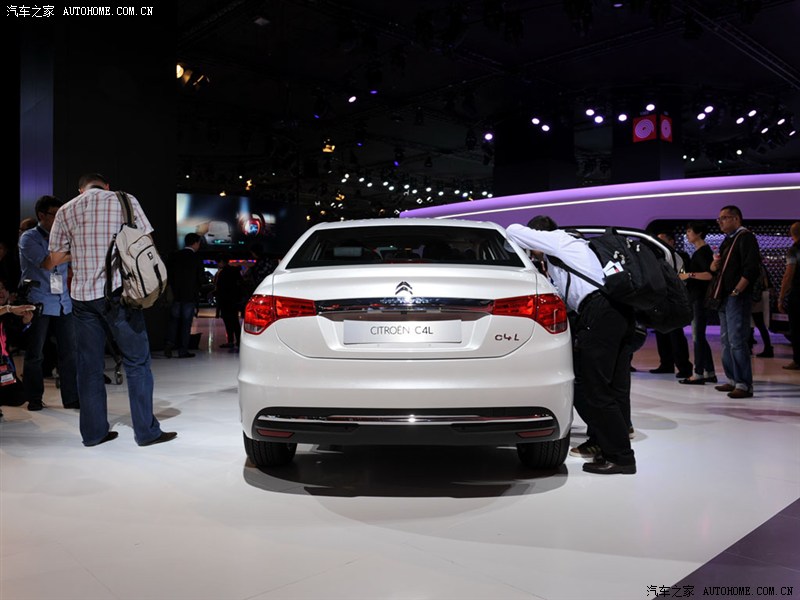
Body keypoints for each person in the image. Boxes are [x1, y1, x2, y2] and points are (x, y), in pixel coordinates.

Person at [44, 173, 176, 447]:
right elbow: (145, 241)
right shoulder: (125, 200)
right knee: (137, 362)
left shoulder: (66, 210)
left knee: (89, 367)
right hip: (118, 295)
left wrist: (80, 250)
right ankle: (146, 432)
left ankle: (94, 434)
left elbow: (54, 258)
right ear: (106, 186)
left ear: (80, 190)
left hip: (82, 299)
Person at [507, 216, 636, 475]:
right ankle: (606, 446)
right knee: (607, 388)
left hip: (600, 311)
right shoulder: (575, 250)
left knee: (592, 389)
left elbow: (512, 230)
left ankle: (621, 457)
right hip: (617, 312)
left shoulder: (559, 240)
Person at [18, 195, 80, 411]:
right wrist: (72, 253)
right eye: (55, 214)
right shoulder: (29, 238)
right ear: (41, 215)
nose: (60, 218)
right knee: (35, 354)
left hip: (63, 301)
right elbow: (47, 263)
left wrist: (68, 254)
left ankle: (71, 397)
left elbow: (65, 262)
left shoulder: (63, 236)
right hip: (38, 301)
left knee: (70, 353)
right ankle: (34, 398)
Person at [709, 205, 762, 398]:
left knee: (737, 340)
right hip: (724, 296)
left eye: (724, 217)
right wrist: (714, 264)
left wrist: (737, 290)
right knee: (726, 340)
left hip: (736, 296)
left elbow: (751, 268)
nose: (720, 222)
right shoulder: (728, 240)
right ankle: (732, 379)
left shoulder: (746, 237)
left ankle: (744, 384)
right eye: (719, 218)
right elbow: (716, 269)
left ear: (736, 219)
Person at [677, 221, 718, 384]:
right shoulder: (701, 252)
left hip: (699, 299)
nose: (687, 234)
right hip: (698, 298)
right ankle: (709, 372)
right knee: (699, 337)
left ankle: (699, 373)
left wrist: (689, 275)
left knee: (697, 337)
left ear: (699, 233)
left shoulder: (703, 252)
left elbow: (709, 275)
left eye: (689, 231)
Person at [649, 231, 693, 378]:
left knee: (676, 334)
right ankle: (666, 364)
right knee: (661, 332)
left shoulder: (679, 257)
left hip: (674, 299)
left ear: (672, 241)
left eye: (662, 240)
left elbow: (682, 277)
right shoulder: (658, 257)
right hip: (661, 299)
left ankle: (684, 367)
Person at [164, 232, 204, 359]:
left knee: (173, 322)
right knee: (186, 324)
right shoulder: (196, 258)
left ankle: (169, 345)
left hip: (175, 294)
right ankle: (183, 350)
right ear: (196, 243)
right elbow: (200, 279)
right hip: (189, 296)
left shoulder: (174, 256)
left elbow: (168, 274)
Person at [0, 297, 38, 419]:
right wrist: (9, 309)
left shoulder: (7, 318)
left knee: (19, 395)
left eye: (3, 289)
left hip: (4, 365)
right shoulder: (9, 311)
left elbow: (18, 340)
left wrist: (26, 323)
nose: (1, 293)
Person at [778, 221, 800, 370]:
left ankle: (797, 360)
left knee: (797, 328)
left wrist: (781, 297)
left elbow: (788, 275)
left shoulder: (794, 250)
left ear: (792, 234)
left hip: (798, 294)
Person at [214, 254, 244, 349]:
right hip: (234, 300)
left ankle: (231, 341)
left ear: (222, 262)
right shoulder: (235, 271)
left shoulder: (222, 273)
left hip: (225, 300)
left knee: (228, 321)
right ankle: (238, 341)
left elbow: (220, 288)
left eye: (218, 262)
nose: (217, 264)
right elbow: (241, 284)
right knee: (235, 321)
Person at [749, 258, 774, 358]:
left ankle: (767, 348)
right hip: (760, 297)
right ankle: (766, 347)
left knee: (757, 323)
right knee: (757, 323)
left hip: (755, 298)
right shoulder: (761, 266)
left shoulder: (754, 267)